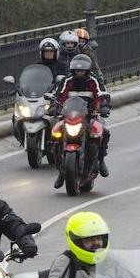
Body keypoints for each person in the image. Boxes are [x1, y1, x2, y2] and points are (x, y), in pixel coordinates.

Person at [53, 55, 111, 187]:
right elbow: (59, 95)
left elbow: (101, 93)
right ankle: (61, 173)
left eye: (82, 71)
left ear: (87, 70)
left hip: (89, 116)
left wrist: (104, 106)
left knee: (104, 131)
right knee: (56, 135)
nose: (79, 73)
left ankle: (101, 160)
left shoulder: (94, 81)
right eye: (77, 71)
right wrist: (54, 106)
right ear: (73, 70)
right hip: (69, 117)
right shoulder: (67, 81)